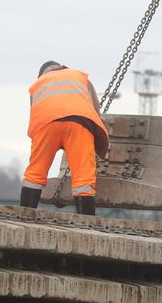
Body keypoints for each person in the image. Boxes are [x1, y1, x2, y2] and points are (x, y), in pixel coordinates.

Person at [20, 61, 110, 216]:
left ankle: (25, 215)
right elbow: (95, 112)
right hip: (79, 123)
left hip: (46, 124)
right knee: (83, 178)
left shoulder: (38, 84)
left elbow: (36, 114)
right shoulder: (79, 77)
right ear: (61, 67)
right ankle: (86, 223)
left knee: (35, 173)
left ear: (42, 73)